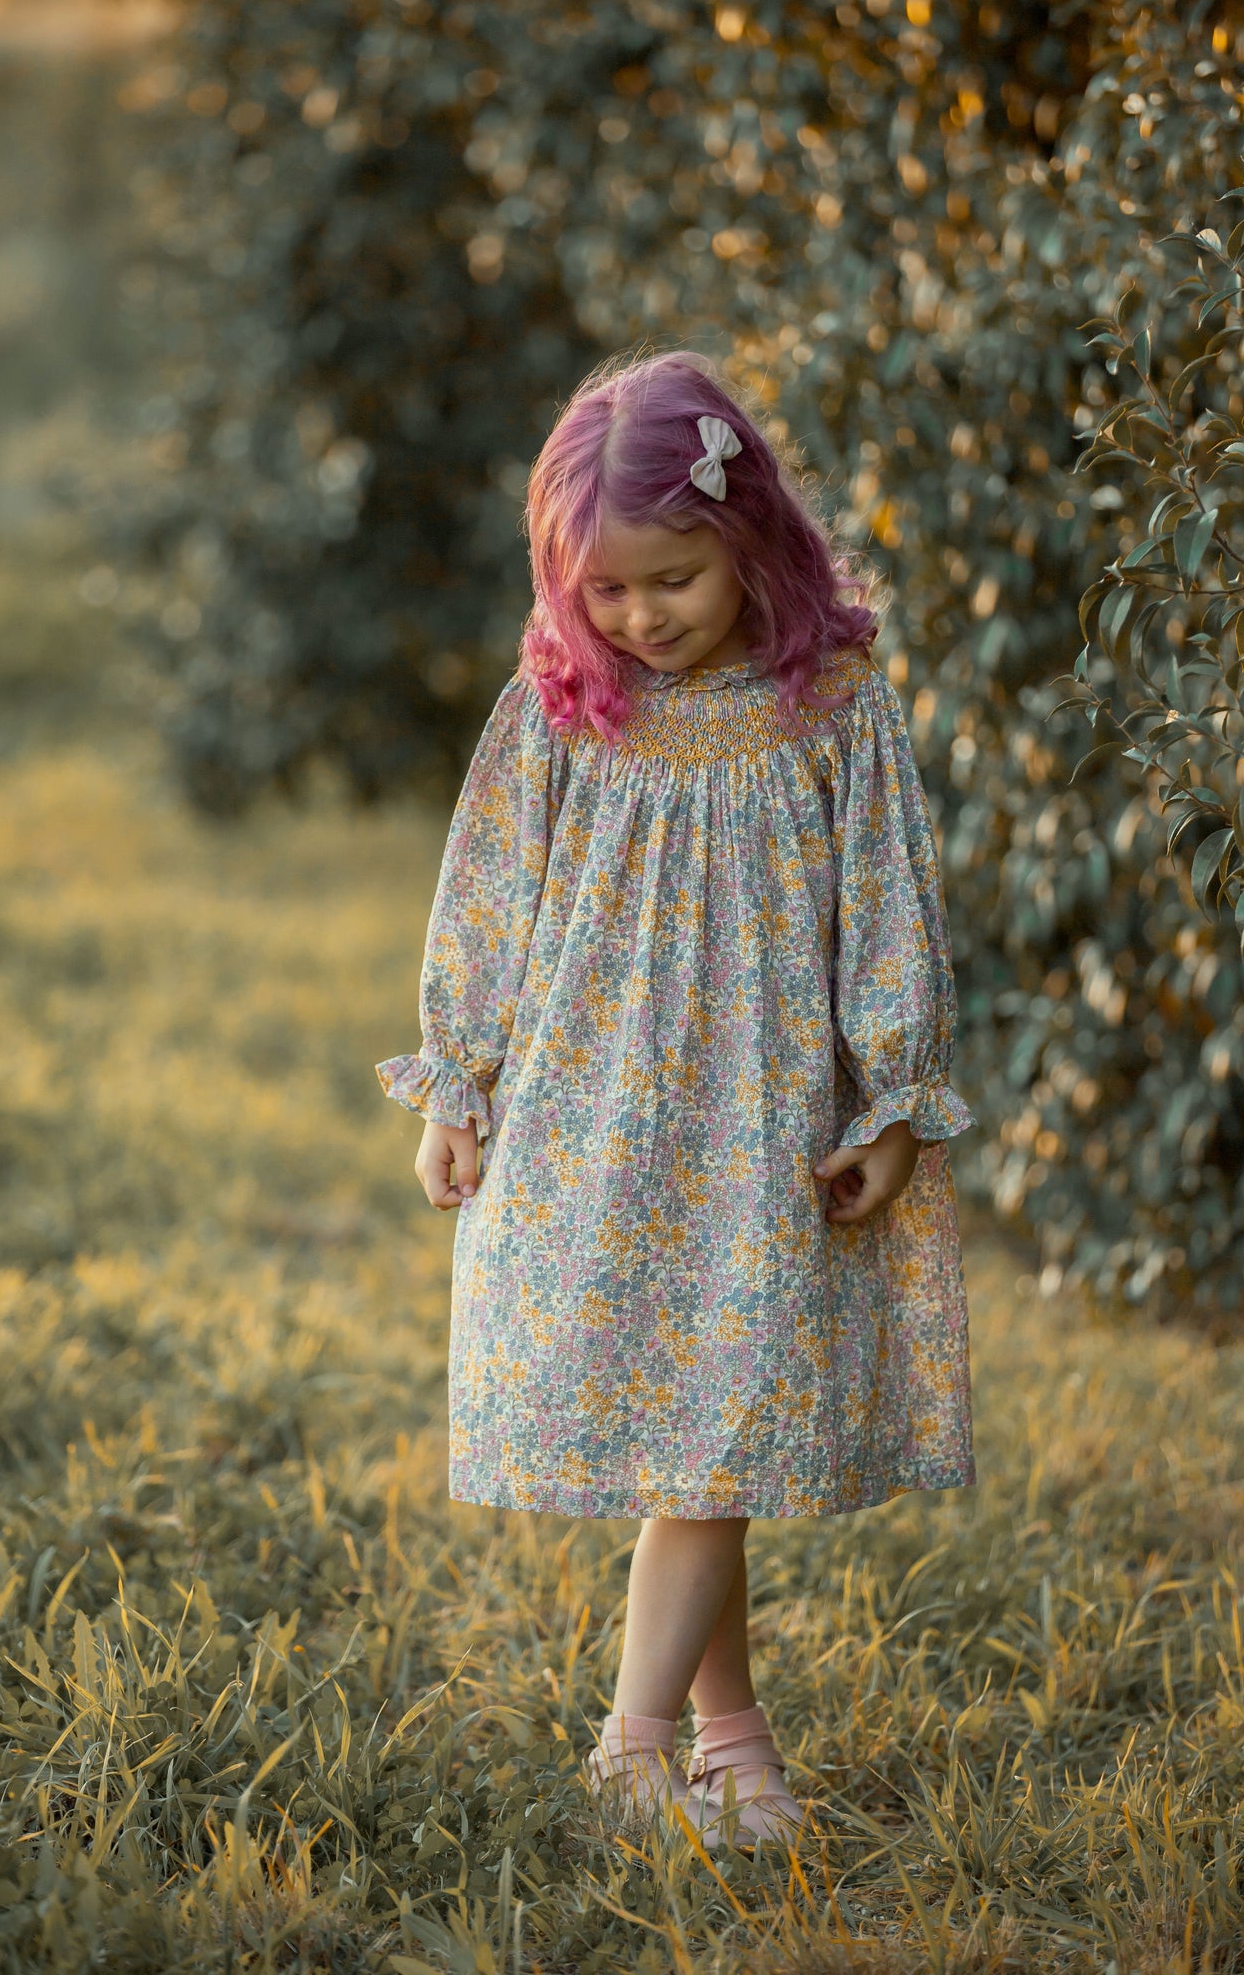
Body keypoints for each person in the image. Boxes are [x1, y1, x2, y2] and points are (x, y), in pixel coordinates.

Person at [377, 350, 974, 1851]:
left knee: (714, 1443)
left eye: (673, 581)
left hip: (761, 1131)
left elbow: (886, 905)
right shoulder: (564, 705)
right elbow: (488, 899)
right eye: (607, 591)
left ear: (750, 538)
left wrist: (891, 1101)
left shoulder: (831, 706)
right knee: (692, 1451)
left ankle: (669, 1749)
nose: (640, 618)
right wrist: (457, 1080)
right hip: (597, 1122)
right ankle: (688, 1751)